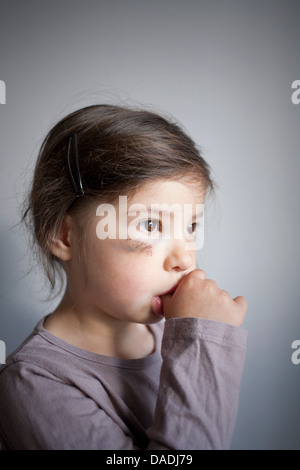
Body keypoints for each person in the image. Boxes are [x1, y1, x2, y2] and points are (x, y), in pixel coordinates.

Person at [0, 104, 247, 450]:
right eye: (150, 225)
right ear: (64, 236)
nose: (185, 258)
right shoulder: (35, 386)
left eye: (190, 227)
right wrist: (202, 345)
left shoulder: (168, 330)